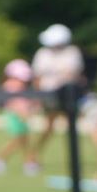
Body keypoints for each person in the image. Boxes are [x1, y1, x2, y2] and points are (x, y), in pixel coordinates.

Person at [30, 23, 85, 162]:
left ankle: (73, 159)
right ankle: (34, 155)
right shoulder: (43, 53)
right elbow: (37, 77)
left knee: (72, 127)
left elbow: (74, 75)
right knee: (49, 127)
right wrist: (37, 98)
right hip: (49, 96)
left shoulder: (72, 53)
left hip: (68, 96)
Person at [0, 58, 39, 175]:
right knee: (17, 141)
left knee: (25, 141)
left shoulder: (22, 87)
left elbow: (26, 102)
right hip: (15, 117)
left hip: (22, 117)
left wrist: (32, 107)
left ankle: (29, 163)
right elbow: (14, 104)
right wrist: (23, 114)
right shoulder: (10, 86)